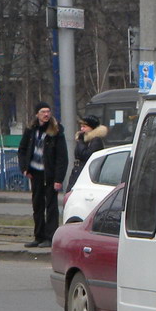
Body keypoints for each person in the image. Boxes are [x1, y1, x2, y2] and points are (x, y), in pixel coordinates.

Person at [17, 101, 70, 248]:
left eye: (48, 111)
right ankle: (38, 236)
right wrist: (24, 169)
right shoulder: (31, 130)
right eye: (43, 112)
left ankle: (50, 237)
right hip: (35, 173)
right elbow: (22, 150)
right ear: (37, 114)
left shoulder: (56, 131)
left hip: (50, 175)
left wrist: (59, 179)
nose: (46, 114)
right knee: (37, 205)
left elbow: (62, 158)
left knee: (51, 206)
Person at [68, 115, 108, 190]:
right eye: (81, 126)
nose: (82, 129)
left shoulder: (96, 140)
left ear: (92, 127)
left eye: (84, 126)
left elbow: (85, 155)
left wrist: (80, 141)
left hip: (86, 172)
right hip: (79, 170)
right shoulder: (86, 139)